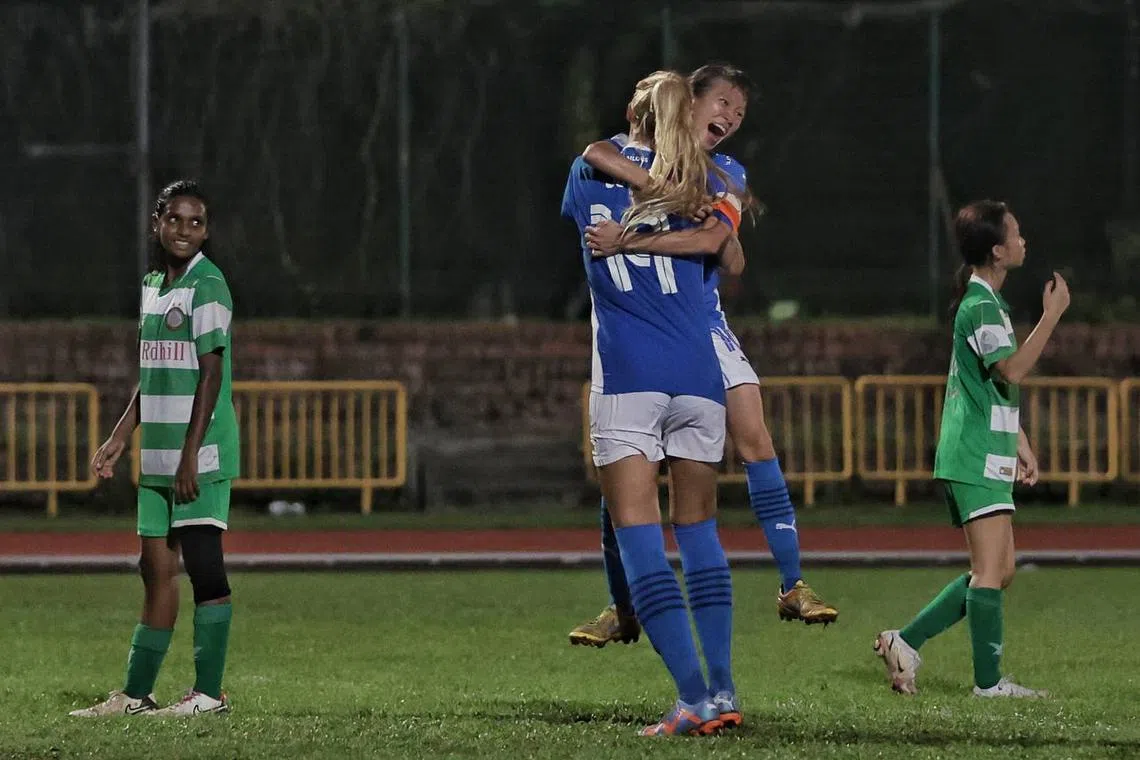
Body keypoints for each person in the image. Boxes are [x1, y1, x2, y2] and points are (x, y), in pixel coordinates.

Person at [569, 64, 837, 653]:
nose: (730, 118)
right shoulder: (638, 161)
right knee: (624, 478)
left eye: (739, 113)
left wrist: (663, 224)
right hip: (630, 332)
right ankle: (623, 605)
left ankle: (792, 582)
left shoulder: (724, 172)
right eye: (722, 103)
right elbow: (595, 152)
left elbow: (727, 252)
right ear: (685, 101)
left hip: (700, 324)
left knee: (754, 436)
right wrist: (664, 188)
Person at [562, 70, 743, 736]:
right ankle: (723, 690)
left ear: (632, 110)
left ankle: (693, 698)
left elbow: (590, 167)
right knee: (699, 534)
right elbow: (728, 255)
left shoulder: (594, 169)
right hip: (698, 374)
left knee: (639, 538)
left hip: (630, 373)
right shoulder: (705, 180)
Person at [874, 200, 1069, 698]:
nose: (1023, 240)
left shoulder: (989, 303)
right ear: (998, 251)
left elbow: (989, 386)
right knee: (988, 573)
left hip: (989, 450)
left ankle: (904, 641)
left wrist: (1020, 441)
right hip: (973, 454)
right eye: (1016, 233)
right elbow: (1012, 371)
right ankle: (988, 684)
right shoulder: (980, 305)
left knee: (1000, 572)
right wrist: (1051, 317)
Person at [70, 180, 239, 717]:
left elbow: (210, 376)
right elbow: (155, 374)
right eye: (175, 219)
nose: (184, 230)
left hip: (198, 456)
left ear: (206, 231)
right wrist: (121, 435)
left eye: (196, 222)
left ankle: (208, 696)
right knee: (154, 572)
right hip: (157, 458)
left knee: (206, 570)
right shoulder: (151, 287)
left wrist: (191, 453)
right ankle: (136, 695)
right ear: (157, 223)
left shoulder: (208, 286)